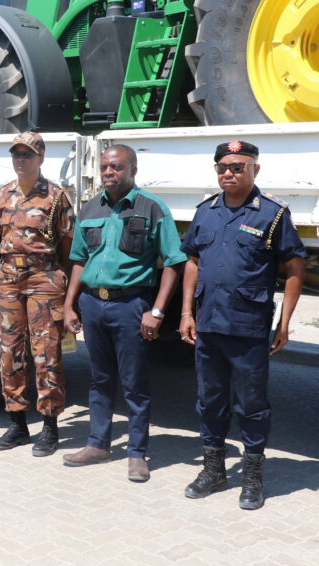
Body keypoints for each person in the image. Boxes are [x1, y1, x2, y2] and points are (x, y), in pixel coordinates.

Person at [180, 140, 305, 509]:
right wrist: (186, 312)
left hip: (248, 328)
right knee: (210, 401)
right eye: (223, 167)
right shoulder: (206, 211)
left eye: (238, 166)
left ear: (255, 170)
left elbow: (295, 267)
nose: (229, 173)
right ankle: (214, 470)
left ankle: (252, 477)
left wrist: (284, 322)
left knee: (251, 405)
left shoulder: (272, 214)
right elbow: (192, 262)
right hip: (208, 326)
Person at [62, 144, 186, 482]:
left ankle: (136, 453)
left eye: (116, 167)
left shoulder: (152, 207)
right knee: (100, 378)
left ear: (133, 169)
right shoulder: (89, 209)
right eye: (104, 167)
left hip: (131, 305)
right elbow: (78, 260)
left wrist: (157, 311)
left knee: (134, 383)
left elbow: (174, 263)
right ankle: (98, 444)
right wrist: (69, 304)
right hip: (92, 303)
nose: (108, 173)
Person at [0, 132, 75, 457]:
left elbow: (67, 243)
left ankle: (50, 426)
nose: (20, 160)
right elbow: (1, 233)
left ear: (40, 158)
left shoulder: (55, 197)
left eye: (27, 154)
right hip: (9, 276)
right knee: (9, 351)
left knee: (46, 351)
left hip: (44, 275)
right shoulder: (2, 195)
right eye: (16, 154)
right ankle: (17, 425)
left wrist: (65, 290)